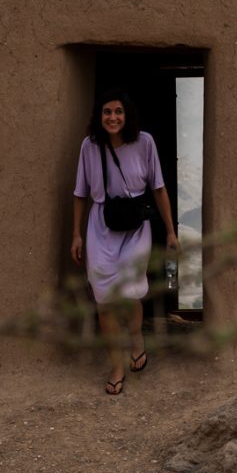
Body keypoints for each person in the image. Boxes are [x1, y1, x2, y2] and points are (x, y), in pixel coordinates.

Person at [71, 88, 179, 395]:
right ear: (99, 116)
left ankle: (136, 339)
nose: (113, 117)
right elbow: (79, 193)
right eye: (107, 112)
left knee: (131, 291)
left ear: (127, 115)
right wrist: (76, 234)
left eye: (118, 111)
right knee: (104, 299)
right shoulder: (89, 146)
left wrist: (171, 232)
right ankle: (117, 365)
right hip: (101, 226)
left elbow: (158, 188)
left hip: (135, 227)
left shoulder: (144, 142)